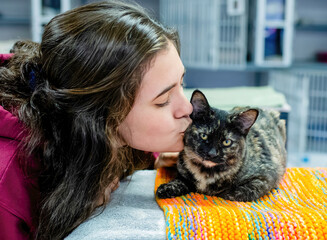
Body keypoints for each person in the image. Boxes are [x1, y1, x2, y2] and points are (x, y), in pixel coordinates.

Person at [0, 1, 192, 239]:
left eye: (182, 83)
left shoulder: (74, 99)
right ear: (101, 121)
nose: (188, 109)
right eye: (163, 100)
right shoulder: (6, 184)